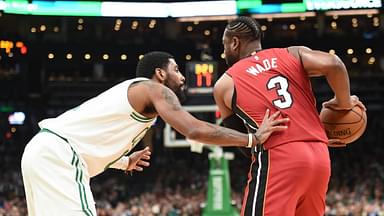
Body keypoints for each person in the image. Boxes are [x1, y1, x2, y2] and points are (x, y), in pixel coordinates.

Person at [21, 51, 289, 216]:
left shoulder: (134, 98)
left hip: (44, 150)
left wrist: (124, 160)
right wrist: (252, 138)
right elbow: (193, 129)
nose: (183, 77)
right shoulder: (154, 90)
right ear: (160, 73)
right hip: (58, 155)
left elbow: (89, 138)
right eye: (176, 70)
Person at [213, 16, 366, 216]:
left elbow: (244, 142)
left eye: (224, 45)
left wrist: (282, 142)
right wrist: (344, 104)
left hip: (280, 159)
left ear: (234, 43)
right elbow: (334, 64)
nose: (223, 51)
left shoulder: (225, 83)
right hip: (319, 155)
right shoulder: (292, 53)